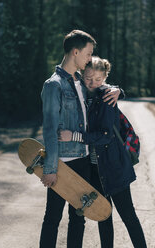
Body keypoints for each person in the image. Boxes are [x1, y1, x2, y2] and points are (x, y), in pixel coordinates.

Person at [40, 30, 121, 248]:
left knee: (78, 218)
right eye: (88, 54)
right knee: (52, 219)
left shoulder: (81, 81)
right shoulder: (53, 85)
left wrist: (118, 90)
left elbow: (102, 88)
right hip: (62, 163)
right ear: (75, 52)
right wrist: (50, 168)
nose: (89, 59)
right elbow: (49, 129)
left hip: (83, 161)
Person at [59, 56, 147, 248]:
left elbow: (106, 136)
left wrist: (74, 136)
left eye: (98, 80)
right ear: (82, 75)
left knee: (128, 216)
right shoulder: (81, 95)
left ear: (105, 78)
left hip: (114, 166)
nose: (93, 83)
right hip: (94, 169)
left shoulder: (107, 98)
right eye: (89, 78)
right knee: (104, 216)